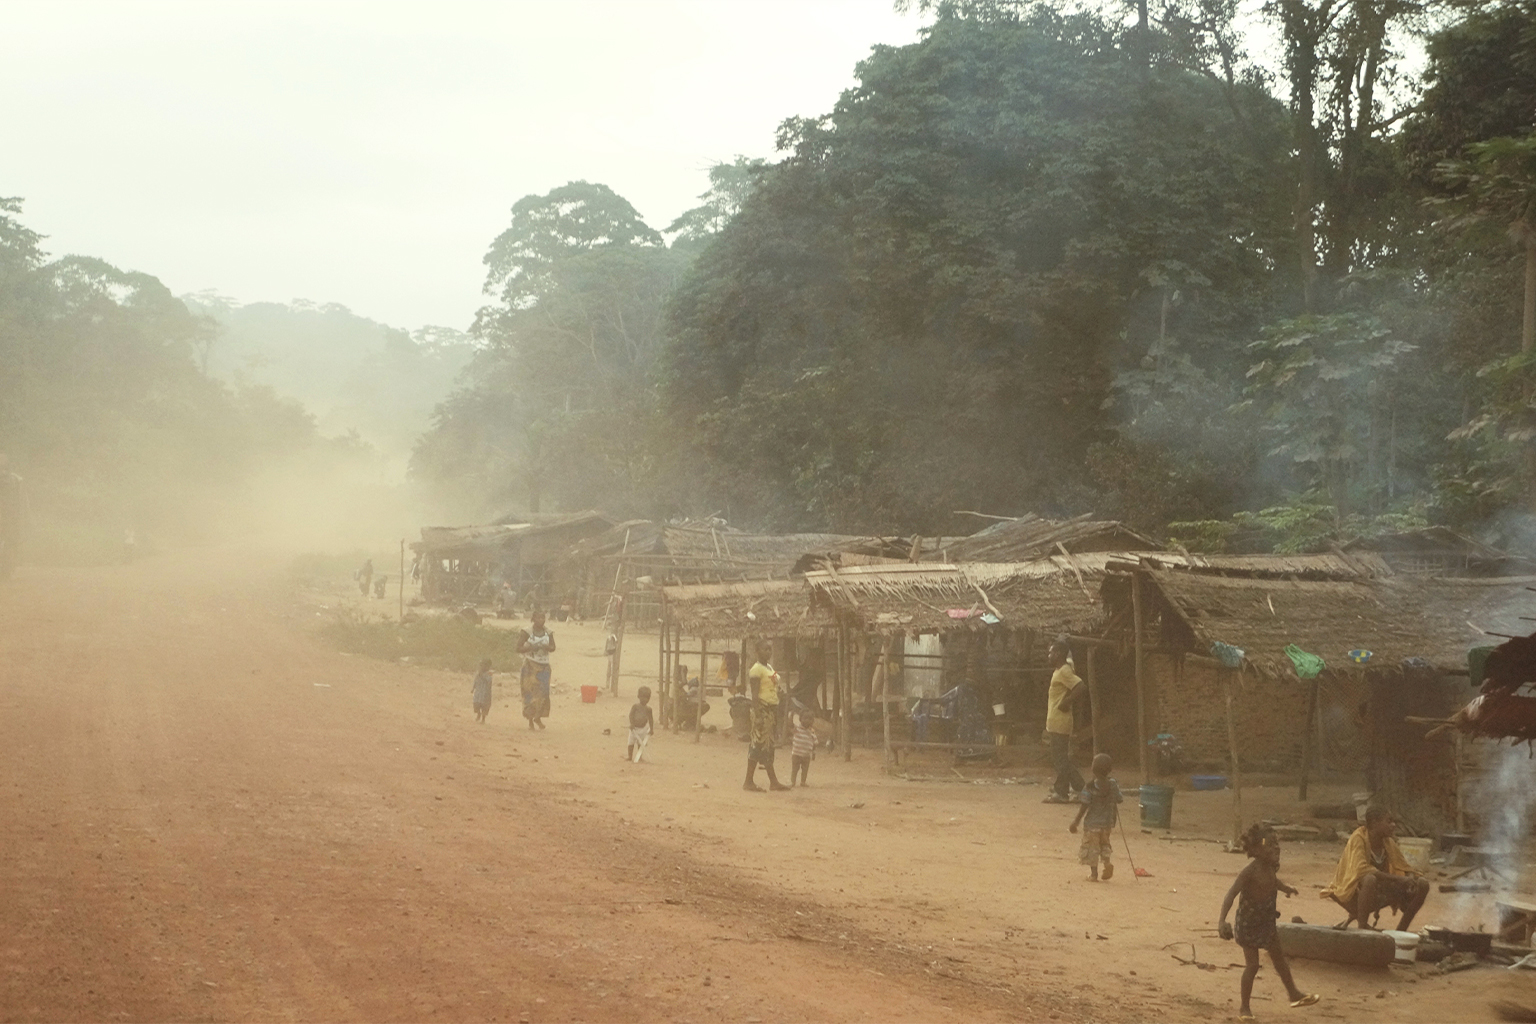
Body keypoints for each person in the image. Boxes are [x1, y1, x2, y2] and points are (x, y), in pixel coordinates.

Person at [1218, 823, 1320, 1022]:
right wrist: (1221, 921)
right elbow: (1231, 895)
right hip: (1248, 925)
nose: (1275, 847)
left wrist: (1286, 889)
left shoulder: (1270, 868)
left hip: (1266, 922)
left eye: (1276, 843)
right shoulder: (1250, 872)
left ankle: (1293, 994)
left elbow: (1274, 882)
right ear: (1255, 849)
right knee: (1253, 966)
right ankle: (1244, 1007)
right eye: (1269, 843)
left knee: (1280, 960)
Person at [1320, 806, 1429, 931]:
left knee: (1422, 884)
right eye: (1389, 821)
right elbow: (1361, 870)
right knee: (1369, 879)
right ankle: (1362, 929)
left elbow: (1404, 867)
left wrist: (1409, 878)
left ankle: (1401, 931)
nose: (1393, 825)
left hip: (1377, 893)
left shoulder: (1388, 843)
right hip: (1351, 894)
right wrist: (1399, 879)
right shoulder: (1358, 838)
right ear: (1374, 823)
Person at [1042, 637, 1084, 803]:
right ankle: (1071, 790)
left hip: (1060, 721)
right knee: (1060, 759)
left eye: (1051, 652)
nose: (1049, 655)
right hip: (1056, 721)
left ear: (1058, 654)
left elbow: (1080, 686)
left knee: (1060, 759)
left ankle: (1068, 791)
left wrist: (1066, 703)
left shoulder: (1065, 671)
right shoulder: (1060, 670)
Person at [1069, 753, 1122, 881]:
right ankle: (1107, 863)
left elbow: (1084, 806)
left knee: (1092, 849)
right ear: (1109, 770)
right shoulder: (1113, 784)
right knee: (1105, 845)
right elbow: (1119, 799)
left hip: (1092, 825)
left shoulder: (1089, 787)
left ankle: (1094, 875)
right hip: (1107, 824)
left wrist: (1075, 822)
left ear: (1093, 768)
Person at [744, 643, 789, 792]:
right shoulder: (756, 670)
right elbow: (755, 695)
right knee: (757, 744)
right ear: (757, 650)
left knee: (767, 745)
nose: (768, 651)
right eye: (765, 648)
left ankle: (772, 781)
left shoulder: (769, 668)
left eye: (770, 648)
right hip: (762, 710)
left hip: (770, 711)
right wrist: (757, 715)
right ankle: (749, 781)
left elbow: (774, 687)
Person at [518, 611, 556, 730]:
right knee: (530, 693)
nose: (541, 620)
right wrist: (529, 648)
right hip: (530, 665)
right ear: (533, 619)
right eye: (539, 617)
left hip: (544, 666)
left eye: (543, 618)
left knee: (543, 694)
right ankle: (530, 720)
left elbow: (553, 647)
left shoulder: (548, 633)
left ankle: (538, 717)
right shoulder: (526, 632)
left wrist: (546, 647)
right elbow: (517, 648)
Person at [0, 454, 25, 579]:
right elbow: (22, 501)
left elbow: (21, 500)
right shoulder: (16, 479)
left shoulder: (16, 480)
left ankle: (6, 569)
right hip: (10, 516)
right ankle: (6, 570)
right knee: (10, 542)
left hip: (9, 516)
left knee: (10, 542)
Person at [790, 710, 817, 787]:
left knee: (805, 769)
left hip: (806, 755)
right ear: (800, 719)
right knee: (795, 769)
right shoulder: (797, 728)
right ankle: (793, 782)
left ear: (813, 721)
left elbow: (814, 742)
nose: (807, 720)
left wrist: (813, 752)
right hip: (796, 753)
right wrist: (791, 716)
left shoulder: (812, 731)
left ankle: (803, 782)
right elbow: (790, 725)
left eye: (810, 719)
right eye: (805, 718)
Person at [628, 686, 655, 762]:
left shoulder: (649, 709)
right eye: (643, 697)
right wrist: (632, 724)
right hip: (634, 728)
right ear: (638, 696)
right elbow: (631, 715)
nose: (645, 700)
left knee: (641, 743)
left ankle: (639, 757)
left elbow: (651, 719)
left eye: (647, 698)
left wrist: (651, 729)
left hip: (643, 728)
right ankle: (629, 756)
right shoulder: (635, 707)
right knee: (631, 742)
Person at [471, 658, 493, 723]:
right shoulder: (478, 673)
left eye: (484, 665)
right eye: (481, 665)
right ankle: (478, 714)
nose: (482, 667)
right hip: (478, 693)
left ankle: (483, 719)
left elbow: (489, 681)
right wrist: (473, 688)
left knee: (484, 707)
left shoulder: (489, 674)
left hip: (485, 694)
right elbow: (475, 681)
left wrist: (482, 675)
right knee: (476, 704)